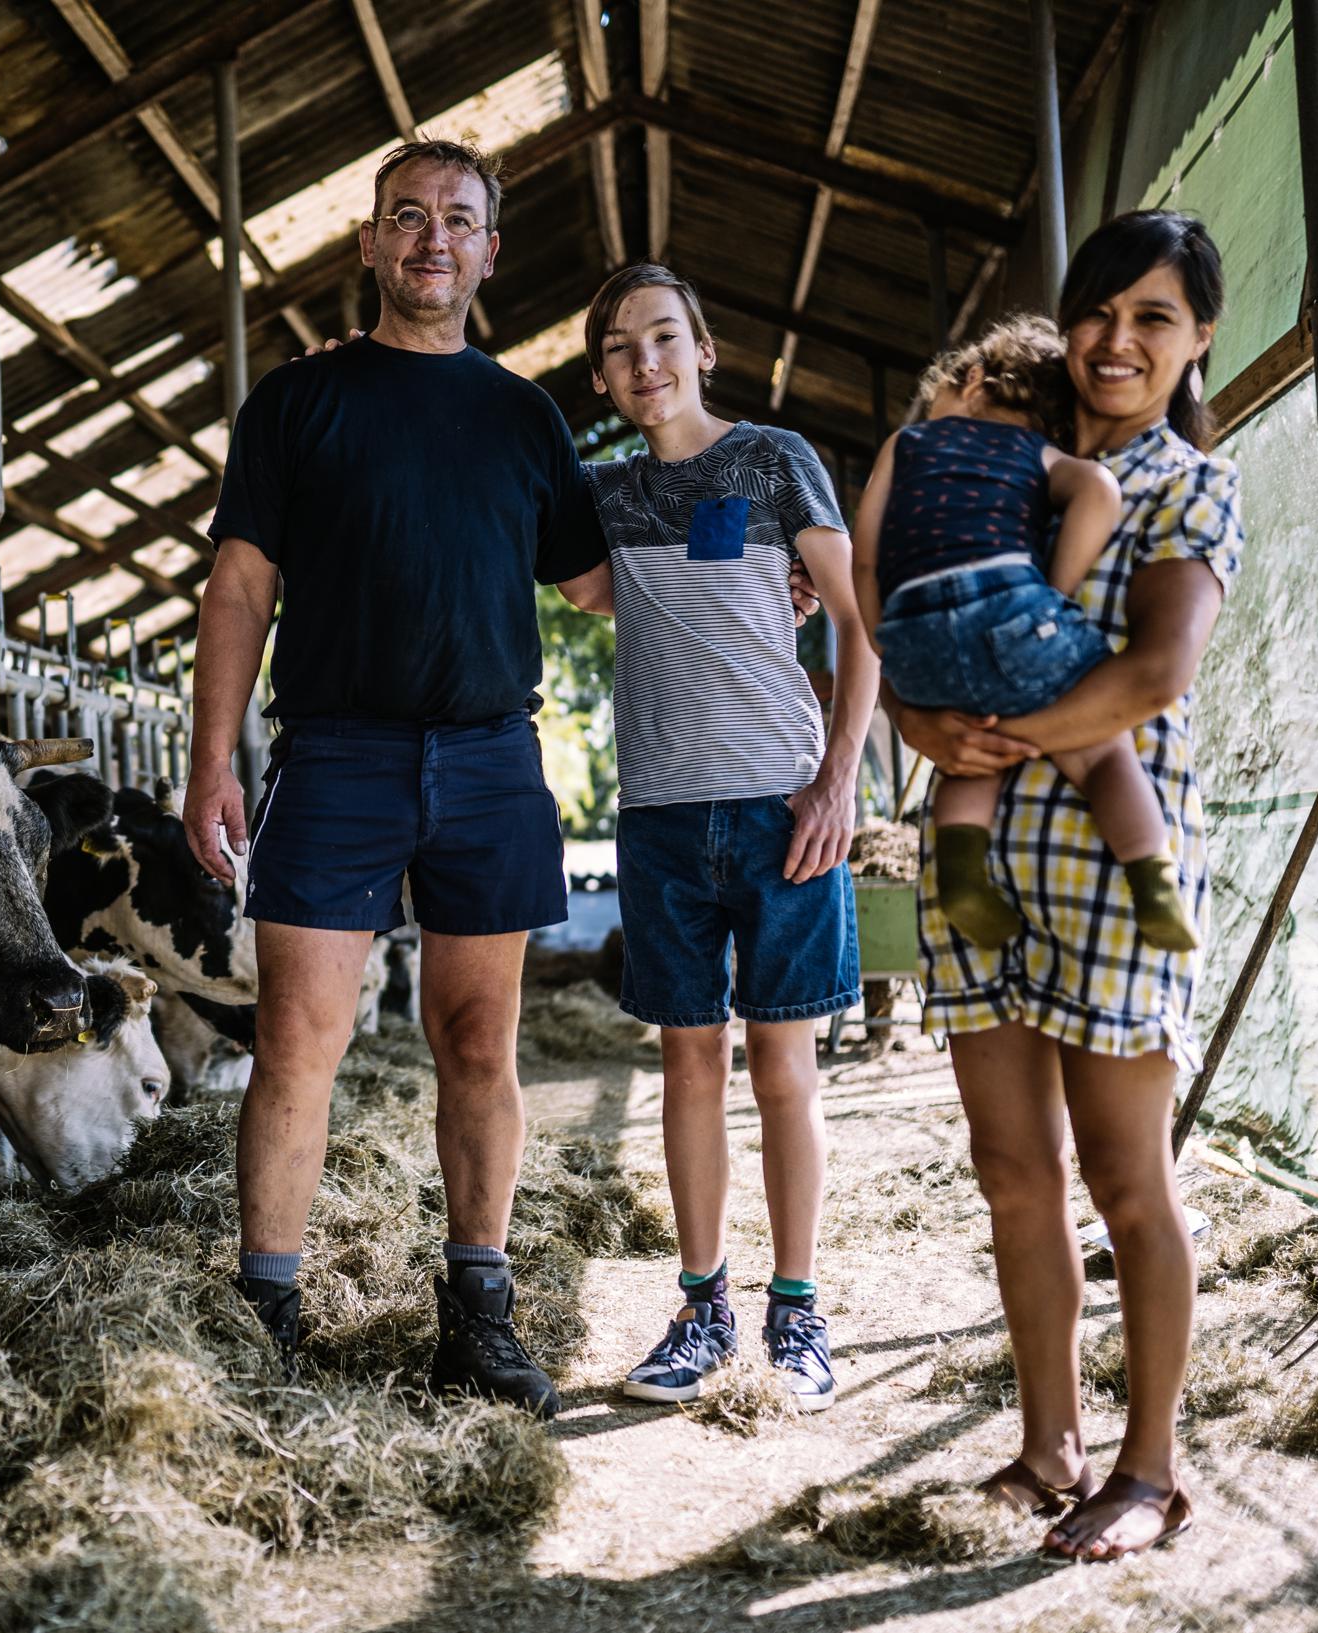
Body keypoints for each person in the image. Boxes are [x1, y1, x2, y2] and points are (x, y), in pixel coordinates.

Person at [182, 139, 609, 1418]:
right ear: (367, 245)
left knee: (480, 1044)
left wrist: (758, 572)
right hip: (337, 754)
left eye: (458, 220)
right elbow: (240, 584)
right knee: (294, 1042)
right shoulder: (299, 404)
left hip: (488, 758)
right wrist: (214, 754)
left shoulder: (526, 416)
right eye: (406, 218)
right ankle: (266, 1317)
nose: (433, 238)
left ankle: (475, 1318)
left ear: (488, 252)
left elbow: (598, 582)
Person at [890, 211, 1239, 1560]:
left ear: (1196, 339)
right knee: (1008, 1167)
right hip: (982, 857)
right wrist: (927, 733)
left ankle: (1148, 1472)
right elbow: (901, 619)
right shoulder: (994, 466)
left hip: (1107, 864)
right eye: (1099, 312)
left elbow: (1156, 673)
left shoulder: (1182, 488)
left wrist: (1001, 738)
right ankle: (1047, 1447)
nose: (1117, 341)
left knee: (1124, 1174)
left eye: (1154, 318)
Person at [553, 263, 878, 1413]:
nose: (645, 362)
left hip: (781, 804)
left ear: (704, 349)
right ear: (599, 375)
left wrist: (839, 782)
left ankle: (798, 1315)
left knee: (784, 1065)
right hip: (657, 819)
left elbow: (855, 618)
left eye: (663, 338)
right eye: (620, 349)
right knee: (687, 1062)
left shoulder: (773, 459)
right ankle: (702, 1309)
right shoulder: (600, 494)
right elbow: (590, 592)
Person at [851, 318, 1192, 955]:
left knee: (969, 745)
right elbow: (1098, 489)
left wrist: (884, 642)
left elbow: (864, 559)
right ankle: (1153, 875)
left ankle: (961, 879)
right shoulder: (1030, 452)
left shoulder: (905, 445)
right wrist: (1053, 593)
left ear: (973, 378)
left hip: (909, 636)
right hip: (1008, 609)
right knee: (1102, 750)